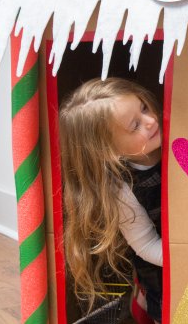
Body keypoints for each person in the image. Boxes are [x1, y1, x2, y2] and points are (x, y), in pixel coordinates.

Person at [60, 78, 163, 324]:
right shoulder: (120, 188)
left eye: (144, 108)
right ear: (110, 150)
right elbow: (146, 245)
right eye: (134, 125)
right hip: (161, 262)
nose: (151, 121)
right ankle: (142, 302)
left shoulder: (180, 140)